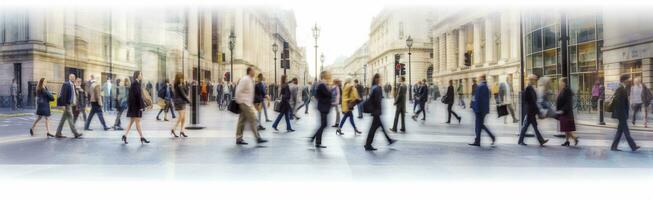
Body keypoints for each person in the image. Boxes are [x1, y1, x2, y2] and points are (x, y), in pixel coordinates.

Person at [235, 67, 268, 145]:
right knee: (253, 119)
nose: (254, 72)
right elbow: (238, 91)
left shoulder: (250, 80)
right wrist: (240, 101)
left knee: (242, 120)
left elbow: (249, 93)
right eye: (253, 71)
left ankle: (238, 138)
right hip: (244, 103)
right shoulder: (245, 79)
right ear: (249, 71)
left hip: (247, 103)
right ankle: (258, 138)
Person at [364, 73, 397, 151]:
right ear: (376, 79)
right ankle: (368, 144)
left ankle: (388, 140)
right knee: (374, 128)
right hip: (376, 111)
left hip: (375, 111)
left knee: (377, 127)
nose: (380, 79)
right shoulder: (377, 88)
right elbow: (377, 101)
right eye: (379, 78)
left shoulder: (373, 87)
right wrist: (378, 110)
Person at [611, 74, 640, 151]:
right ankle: (633, 146)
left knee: (620, 131)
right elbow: (619, 103)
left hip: (622, 113)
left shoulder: (622, 88)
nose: (629, 81)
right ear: (624, 80)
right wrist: (623, 114)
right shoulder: (620, 89)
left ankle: (614, 147)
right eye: (628, 79)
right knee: (626, 132)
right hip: (621, 114)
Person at [518, 75, 549, 146]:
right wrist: (537, 111)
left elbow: (533, 101)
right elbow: (530, 101)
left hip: (531, 111)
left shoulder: (531, 88)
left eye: (535, 80)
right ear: (531, 80)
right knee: (528, 126)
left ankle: (540, 140)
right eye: (534, 80)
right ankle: (521, 141)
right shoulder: (528, 88)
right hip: (530, 111)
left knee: (532, 126)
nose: (535, 81)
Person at [121, 71, 151, 144]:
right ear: (137, 75)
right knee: (137, 122)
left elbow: (137, 96)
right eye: (140, 74)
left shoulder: (136, 84)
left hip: (134, 107)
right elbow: (137, 97)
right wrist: (141, 107)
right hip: (135, 107)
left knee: (132, 122)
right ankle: (142, 137)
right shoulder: (135, 84)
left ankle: (125, 135)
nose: (141, 75)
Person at [469, 75, 495, 146]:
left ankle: (478, 140)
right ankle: (478, 140)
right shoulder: (486, 87)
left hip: (479, 109)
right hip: (483, 109)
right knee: (480, 125)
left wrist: (475, 108)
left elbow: (478, 99)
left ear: (482, 78)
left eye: (479, 77)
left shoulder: (480, 86)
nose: (478, 79)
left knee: (479, 125)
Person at [55, 74, 83, 139]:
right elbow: (63, 95)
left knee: (63, 119)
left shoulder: (73, 85)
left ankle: (58, 133)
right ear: (69, 77)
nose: (73, 78)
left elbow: (74, 94)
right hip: (67, 104)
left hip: (70, 104)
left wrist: (75, 103)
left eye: (74, 77)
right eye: (72, 77)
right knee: (70, 118)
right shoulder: (66, 84)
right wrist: (64, 105)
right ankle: (75, 133)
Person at [310, 71, 333, 148]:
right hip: (323, 107)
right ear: (324, 76)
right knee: (324, 124)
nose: (329, 75)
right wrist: (329, 91)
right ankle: (316, 141)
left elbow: (318, 95)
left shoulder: (323, 84)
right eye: (328, 75)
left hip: (323, 107)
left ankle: (314, 138)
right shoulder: (322, 85)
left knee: (323, 124)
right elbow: (328, 95)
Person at [555, 77, 579, 147]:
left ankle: (574, 138)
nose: (559, 83)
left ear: (564, 82)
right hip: (564, 112)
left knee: (566, 128)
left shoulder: (567, 90)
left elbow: (568, 102)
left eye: (560, 81)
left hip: (566, 112)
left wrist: (562, 110)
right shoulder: (563, 89)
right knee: (566, 128)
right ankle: (567, 141)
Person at [170, 73, 190, 138]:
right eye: (181, 78)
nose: (182, 79)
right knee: (181, 117)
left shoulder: (182, 84)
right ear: (178, 79)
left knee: (183, 118)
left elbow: (186, 92)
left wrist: (186, 84)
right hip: (179, 102)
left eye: (182, 78)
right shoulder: (178, 85)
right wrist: (189, 101)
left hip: (183, 102)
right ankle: (174, 128)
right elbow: (183, 95)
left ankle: (182, 131)